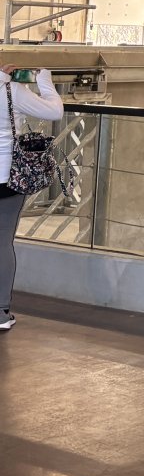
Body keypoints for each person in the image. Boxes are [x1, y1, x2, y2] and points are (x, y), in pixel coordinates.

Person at [0, 66, 63, 332]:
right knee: (2, 243)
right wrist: (44, 80)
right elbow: (54, 111)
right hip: (5, 178)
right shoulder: (11, 89)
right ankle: (1, 312)